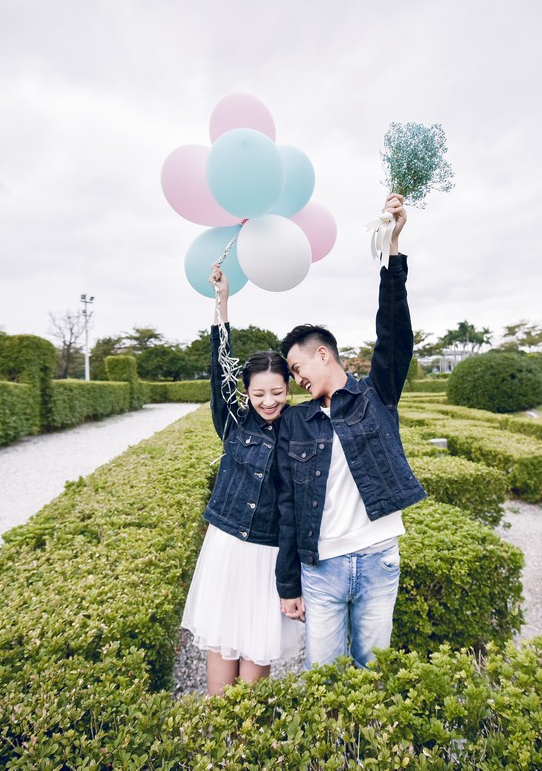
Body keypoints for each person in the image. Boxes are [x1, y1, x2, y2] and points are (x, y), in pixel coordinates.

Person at [274, 193, 426, 669]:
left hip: (379, 558)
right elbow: (287, 505)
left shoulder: (376, 395)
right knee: (323, 679)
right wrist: (289, 584)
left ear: (324, 354)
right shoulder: (296, 421)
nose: (296, 379)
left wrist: (393, 252)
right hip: (321, 568)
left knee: (372, 672)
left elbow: (395, 336)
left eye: (298, 366)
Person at [180, 265, 301, 695]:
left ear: (289, 388)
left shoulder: (301, 428)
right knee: (222, 640)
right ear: (246, 393)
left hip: (269, 553)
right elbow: (219, 366)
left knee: (257, 645)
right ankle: (216, 736)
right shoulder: (233, 421)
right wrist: (222, 302)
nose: (268, 401)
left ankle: (242, 735)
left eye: (277, 392)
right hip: (228, 544)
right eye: (258, 393)